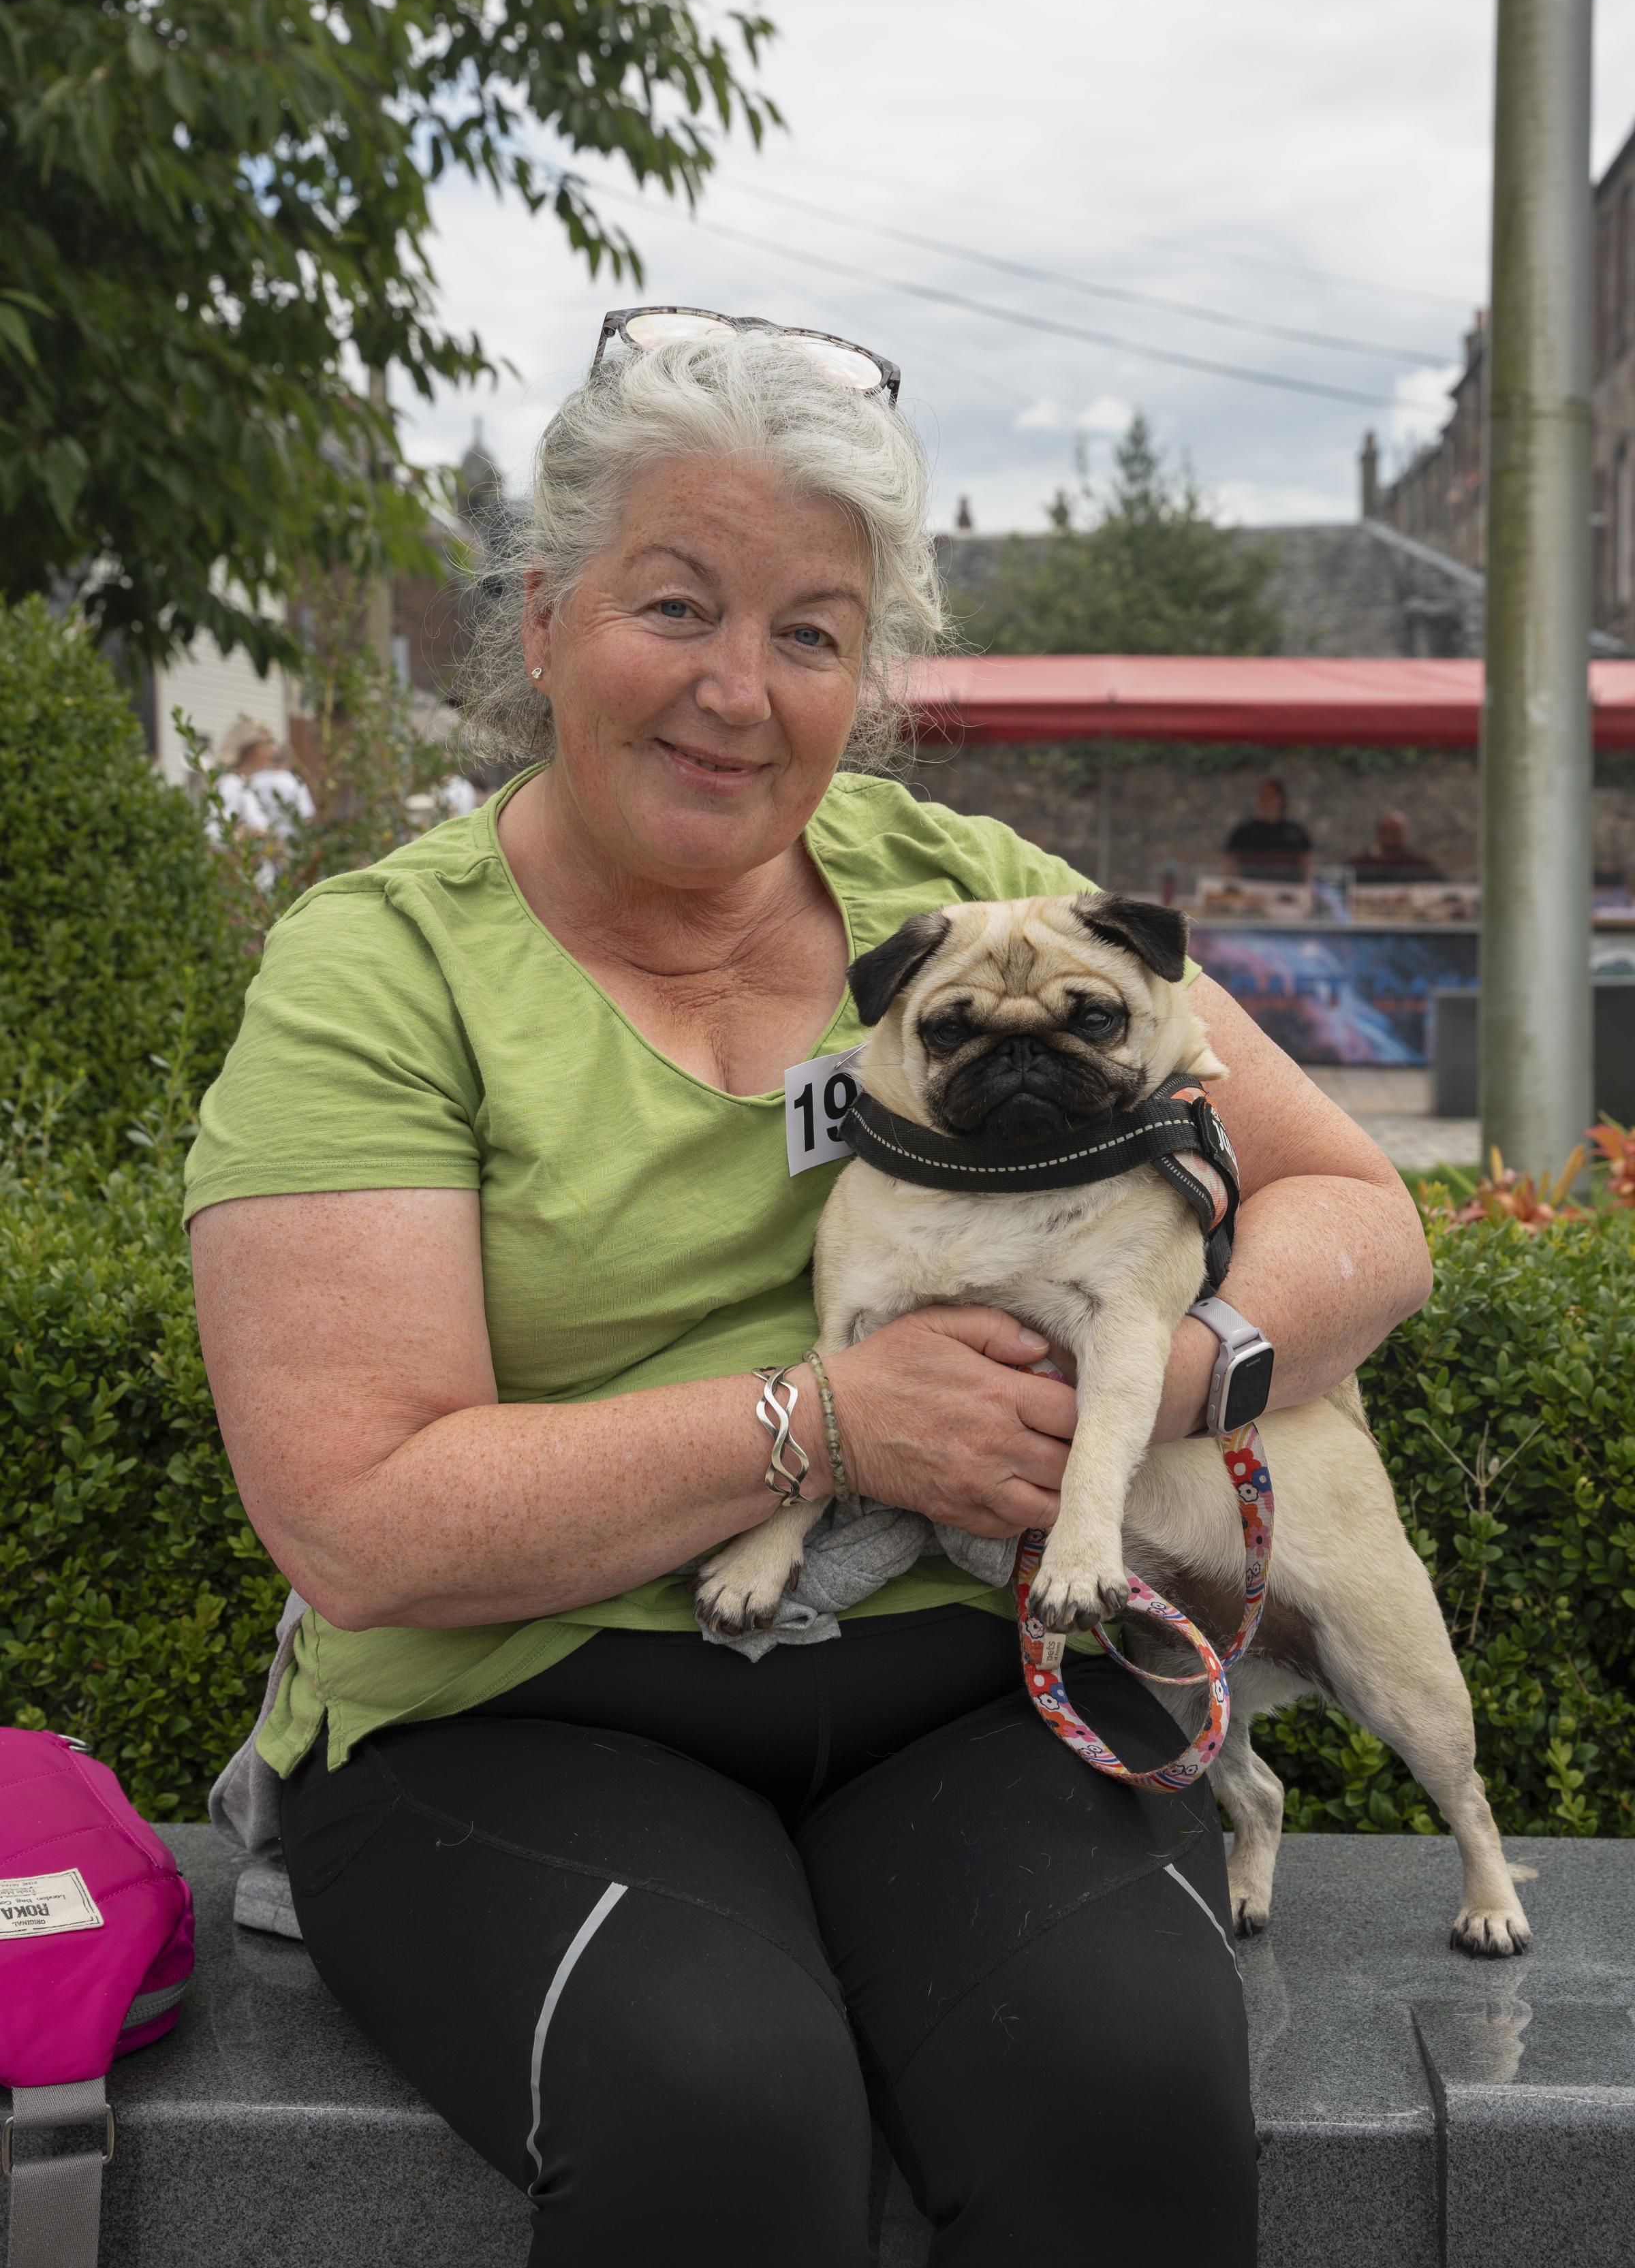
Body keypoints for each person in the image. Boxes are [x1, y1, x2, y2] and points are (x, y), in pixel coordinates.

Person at [186, 315, 1432, 2268]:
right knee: (720, 2109)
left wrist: (1170, 1377)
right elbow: (358, 1517)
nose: (736, 693)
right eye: (675, 605)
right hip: (513, 1697)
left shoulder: (973, 892)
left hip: (975, 1668)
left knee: (1126, 2089)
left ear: (869, 677)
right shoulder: (381, 972)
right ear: (538, 619)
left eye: (811, 634)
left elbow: (1357, 1204)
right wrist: (835, 1422)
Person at [212, 717, 315, 846]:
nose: (273, 752)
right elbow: (214, 835)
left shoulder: (247, 783)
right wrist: (249, 837)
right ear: (249, 749)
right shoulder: (231, 784)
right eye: (266, 744)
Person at [1223, 774, 1313, 883]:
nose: (1264, 800)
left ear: (1281, 798)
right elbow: (1229, 862)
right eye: (1262, 795)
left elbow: (1307, 863)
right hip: (1252, 891)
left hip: (1288, 892)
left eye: (1269, 796)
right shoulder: (1244, 831)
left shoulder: (1296, 832)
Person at [1350, 810, 1443, 886]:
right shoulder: (1359, 865)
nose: (1391, 836)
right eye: (1386, 831)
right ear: (1378, 833)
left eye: (1396, 832)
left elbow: (1443, 888)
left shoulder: (1418, 865)